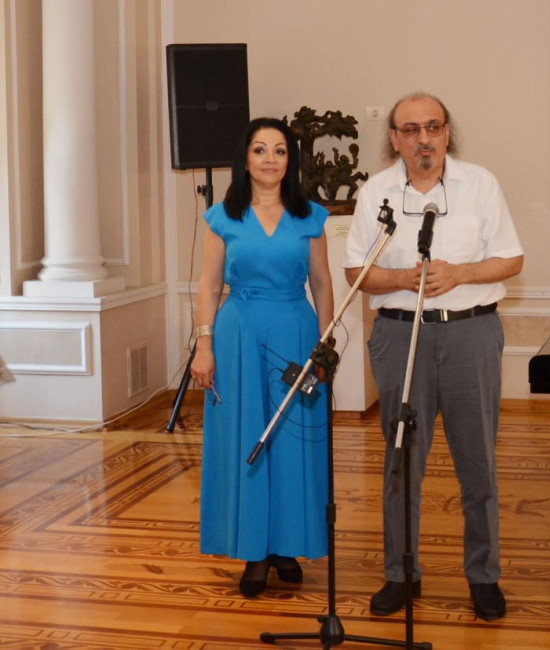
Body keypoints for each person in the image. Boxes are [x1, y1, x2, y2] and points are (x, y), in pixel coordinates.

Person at [343, 92, 523, 621]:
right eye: (411, 129)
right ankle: (401, 573)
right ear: (394, 139)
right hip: (400, 337)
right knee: (402, 463)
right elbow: (356, 272)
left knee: (478, 465)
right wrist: (405, 278)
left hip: (471, 335)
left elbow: (512, 259)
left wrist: (460, 273)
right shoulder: (375, 192)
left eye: (433, 127)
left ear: (447, 133)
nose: (424, 138)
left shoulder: (480, 184)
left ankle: (483, 576)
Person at [190, 117, 334, 598]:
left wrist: (325, 344)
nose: (270, 159)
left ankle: (287, 545)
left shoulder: (310, 216)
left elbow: (322, 283)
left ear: (290, 160)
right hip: (238, 336)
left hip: (296, 333)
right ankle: (253, 548)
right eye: (260, 150)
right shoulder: (221, 217)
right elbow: (209, 284)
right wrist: (204, 344)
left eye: (280, 150)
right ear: (245, 159)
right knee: (245, 437)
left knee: (293, 440)